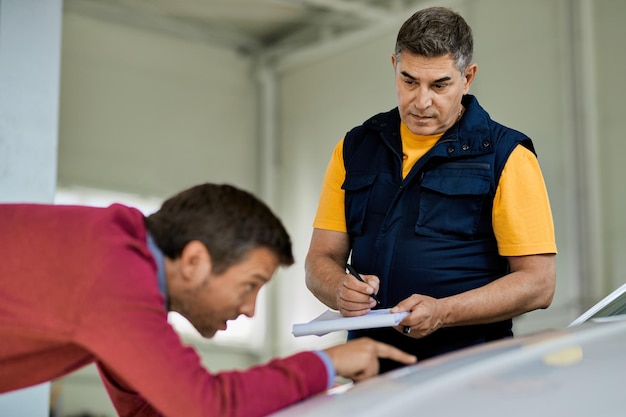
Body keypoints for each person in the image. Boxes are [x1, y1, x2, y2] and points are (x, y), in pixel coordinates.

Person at [0, 183, 416, 417]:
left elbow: (149, 411)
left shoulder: (116, 255)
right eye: (250, 284)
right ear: (195, 260)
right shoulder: (112, 275)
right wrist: (329, 363)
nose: (250, 308)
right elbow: (206, 406)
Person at [305, 6, 557, 372]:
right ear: (394, 65)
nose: (421, 102)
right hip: (371, 374)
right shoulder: (355, 149)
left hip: (471, 374)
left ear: (467, 77)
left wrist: (444, 311)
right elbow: (319, 262)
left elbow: (539, 284)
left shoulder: (507, 156)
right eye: (409, 81)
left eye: (439, 85)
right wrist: (339, 289)